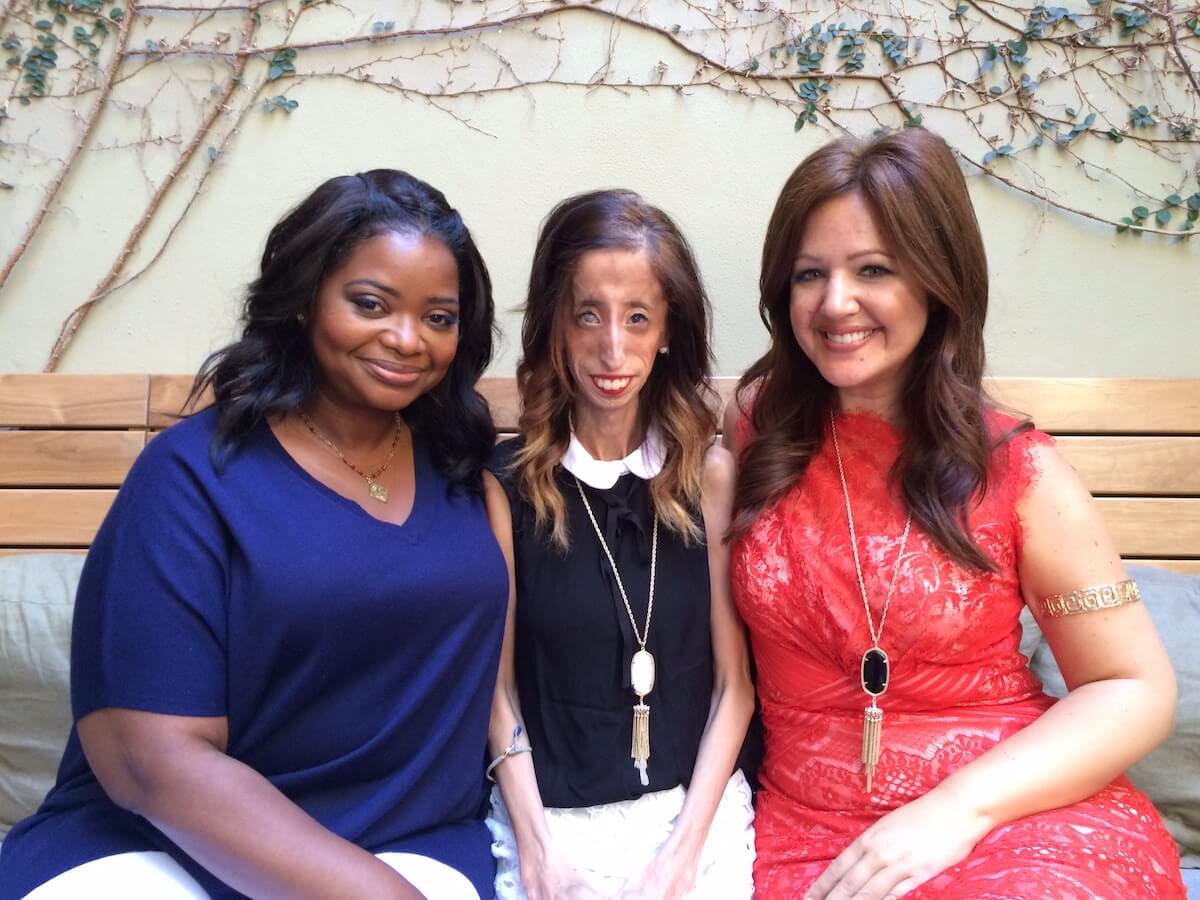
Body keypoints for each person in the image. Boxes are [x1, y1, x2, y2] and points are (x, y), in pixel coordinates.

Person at [0, 170, 510, 899]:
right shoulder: (191, 479)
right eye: (370, 304)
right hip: (166, 849)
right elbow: (150, 762)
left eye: (440, 317)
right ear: (304, 301)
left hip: (411, 846)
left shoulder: (468, 480)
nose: (407, 339)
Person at [723, 128, 1185, 899]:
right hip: (806, 830)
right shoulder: (752, 433)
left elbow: (1131, 686)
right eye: (810, 274)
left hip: (1009, 818)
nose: (837, 303)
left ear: (938, 281)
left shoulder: (1019, 469)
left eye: (874, 269)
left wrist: (956, 809)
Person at [484, 189, 756, 899]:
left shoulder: (710, 476)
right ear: (556, 328)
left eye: (638, 318)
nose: (613, 349)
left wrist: (685, 852)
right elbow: (498, 687)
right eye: (588, 316)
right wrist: (537, 848)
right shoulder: (506, 486)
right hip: (550, 818)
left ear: (668, 329)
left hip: (694, 813)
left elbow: (735, 689)